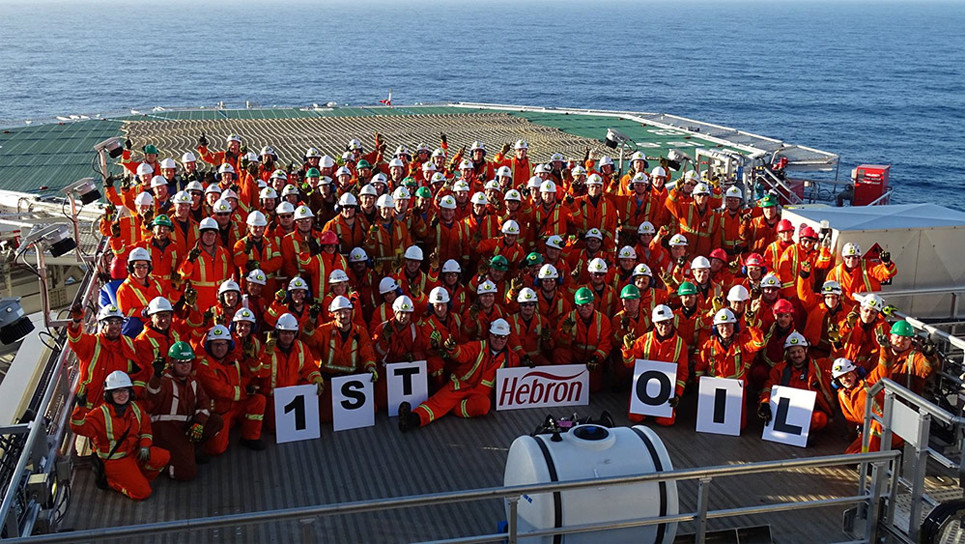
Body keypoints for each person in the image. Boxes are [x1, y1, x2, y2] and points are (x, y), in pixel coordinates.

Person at [398, 319, 519, 431]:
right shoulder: (478, 346)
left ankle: (451, 409)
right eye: (496, 336)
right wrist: (453, 349)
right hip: (460, 385)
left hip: (479, 395)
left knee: (484, 406)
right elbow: (462, 354)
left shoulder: (511, 358)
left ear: (508, 337)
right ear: (490, 334)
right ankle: (411, 420)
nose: (499, 340)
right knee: (436, 404)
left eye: (503, 337)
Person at [70, 371, 170, 500]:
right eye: (116, 391)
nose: (121, 395)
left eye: (124, 390)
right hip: (115, 462)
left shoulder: (135, 408)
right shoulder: (100, 414)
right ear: (109, 395)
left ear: (130, 392)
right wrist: (80, 409)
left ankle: (138, 478)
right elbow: (79, 428)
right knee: (143, 493)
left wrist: (145, 445)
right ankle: (112, 482)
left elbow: (146, 429)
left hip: (134, 452)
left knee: (163, 457)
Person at [145, 342, 223, 481]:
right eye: (180, 362)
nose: (185, 365)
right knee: (186, 473)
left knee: (216, 421)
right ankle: (160, 464)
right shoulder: (164, 380)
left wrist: (198, 423)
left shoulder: (193, 382)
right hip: (166, 431)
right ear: (172, 363)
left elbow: (204, 405)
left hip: (185, 428)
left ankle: (189, 451)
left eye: (188, 361)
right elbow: (152, 394)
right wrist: (156, 375)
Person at [195, 325, 266, 453]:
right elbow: (221, 391)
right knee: (217, 450)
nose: (220, 348)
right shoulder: (205, 368)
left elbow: (251, 373)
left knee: (259, 400)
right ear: (209, 346)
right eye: (216, 344)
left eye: (223, 344)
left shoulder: (234, 360)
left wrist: (250, 359)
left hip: (237, 405)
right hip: (220, 411)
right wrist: (246, 391)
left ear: (229, 346)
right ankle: (201, 444)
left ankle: (250, 437)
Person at [622, 304, 689, 425]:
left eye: (667, 323)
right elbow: (629, 365)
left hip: (666, 391)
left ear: (672, 322)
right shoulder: (643, 340)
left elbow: (683, 373)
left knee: (666, 421)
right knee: (635, 418)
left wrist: (678, 395)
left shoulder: (680, 344)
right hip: (643, 389)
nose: (664, 327)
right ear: (654, 324)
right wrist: (628, 350)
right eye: (660, 323)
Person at [757, 332, 835, 434]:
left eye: (799, 351)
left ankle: (804, 433)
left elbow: (836, 360)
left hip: (808, 411)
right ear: (788, 353)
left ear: (806, 350)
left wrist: (837, 344)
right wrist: (765, 403)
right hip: (784, 411)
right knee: (765, 413)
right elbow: (768, 387)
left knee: (820, 419)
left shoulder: (819, 366)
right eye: (793, 352)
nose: (797, 355)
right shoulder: (779, 369)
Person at [68, 303, 144, 405]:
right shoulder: (91, 343)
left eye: (118, 323)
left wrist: (133, 393)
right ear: (102, 325)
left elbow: (140, 373)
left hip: (118, 403)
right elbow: (75, 341)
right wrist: (76, 322)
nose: (115, 326)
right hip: (90, 403)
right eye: (111, 323)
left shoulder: (130, 344)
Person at [553, 287, 612, 393]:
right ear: (576, 305)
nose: (584, 308)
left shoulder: (603, 320)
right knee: (559, 353)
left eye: (587, 305)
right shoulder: (568, 318)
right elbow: (560, 344)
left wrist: (596, 357)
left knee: (594, 389)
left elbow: (605, 344)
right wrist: (564, 333)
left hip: (592, 359)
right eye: (581, 305)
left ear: (593, 304)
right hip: (574, 356)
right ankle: (563, 385)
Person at [825, 243, 898, 300]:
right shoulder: (834, 273)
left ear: (859, 258)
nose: (851, 260)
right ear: (843, 257)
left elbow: (886, 273)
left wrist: (887, 264)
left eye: (854, 257)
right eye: (848, 257)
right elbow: (828, 294)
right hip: (844, 311)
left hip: (867, 309)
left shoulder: (868, 266)